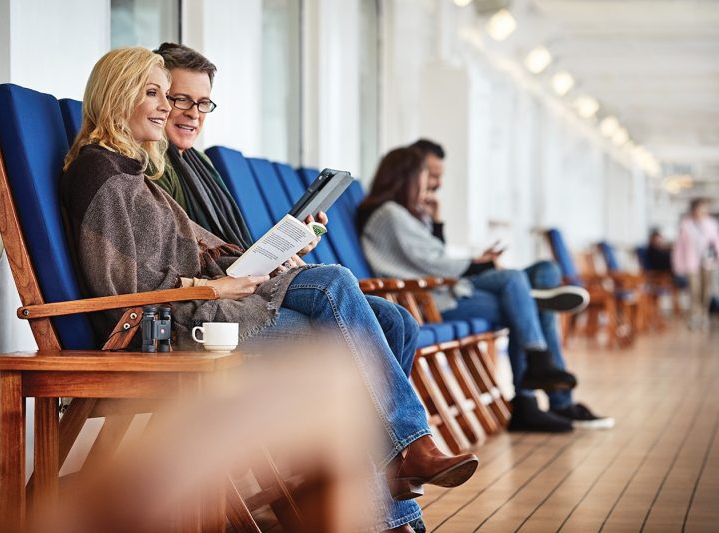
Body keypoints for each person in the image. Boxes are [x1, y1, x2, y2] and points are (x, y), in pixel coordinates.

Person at [59, 47, 476, 533]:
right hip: (173, 326)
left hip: (203, 307)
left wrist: (266, 256)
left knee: (380, 316)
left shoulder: (132, 173)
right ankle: (400, 471)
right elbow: (125, 287)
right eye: (154, 94)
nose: (165, 107)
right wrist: (216, 286)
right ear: (118, 96)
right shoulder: (102, 175)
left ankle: (396, 475)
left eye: (161, 94)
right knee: (343, 312)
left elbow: (196, 247)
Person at [147, 43, 432, 531]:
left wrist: (284, 247)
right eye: (179, 99)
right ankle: (390, 478)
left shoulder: (199, 166)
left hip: (243, 284)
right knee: (345, 315)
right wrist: (260, 263)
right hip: (205, 307)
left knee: (394, 319)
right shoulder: (149, 170)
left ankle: (377, 472)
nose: (192, 113)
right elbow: (186, 259)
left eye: (202, 103)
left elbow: (221, 247)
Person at [358, 144, 614, 432]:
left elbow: (429, 256)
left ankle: (534, 386)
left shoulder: (405, 214)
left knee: (544, 273)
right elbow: (431, 262)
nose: (430, 184)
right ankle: (543, 391)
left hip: (447, 286)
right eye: (425, 176)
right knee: (522, 292)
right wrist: (479, 264)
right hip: (434, 297)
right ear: (406, 177)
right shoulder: (390, 215)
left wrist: (437, 221)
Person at [673, 198, 719, 330]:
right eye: (699, 209)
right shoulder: (686, 225)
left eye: (704, 209)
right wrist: (678, 264)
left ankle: (704, 315)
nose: (701, 212)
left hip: (708, 262)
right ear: (694, 210)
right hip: (691, 263)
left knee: (706, 290)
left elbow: (717, 243)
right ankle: (695, 316)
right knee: (694, 290)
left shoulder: (712, 224)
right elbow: (679, 247)